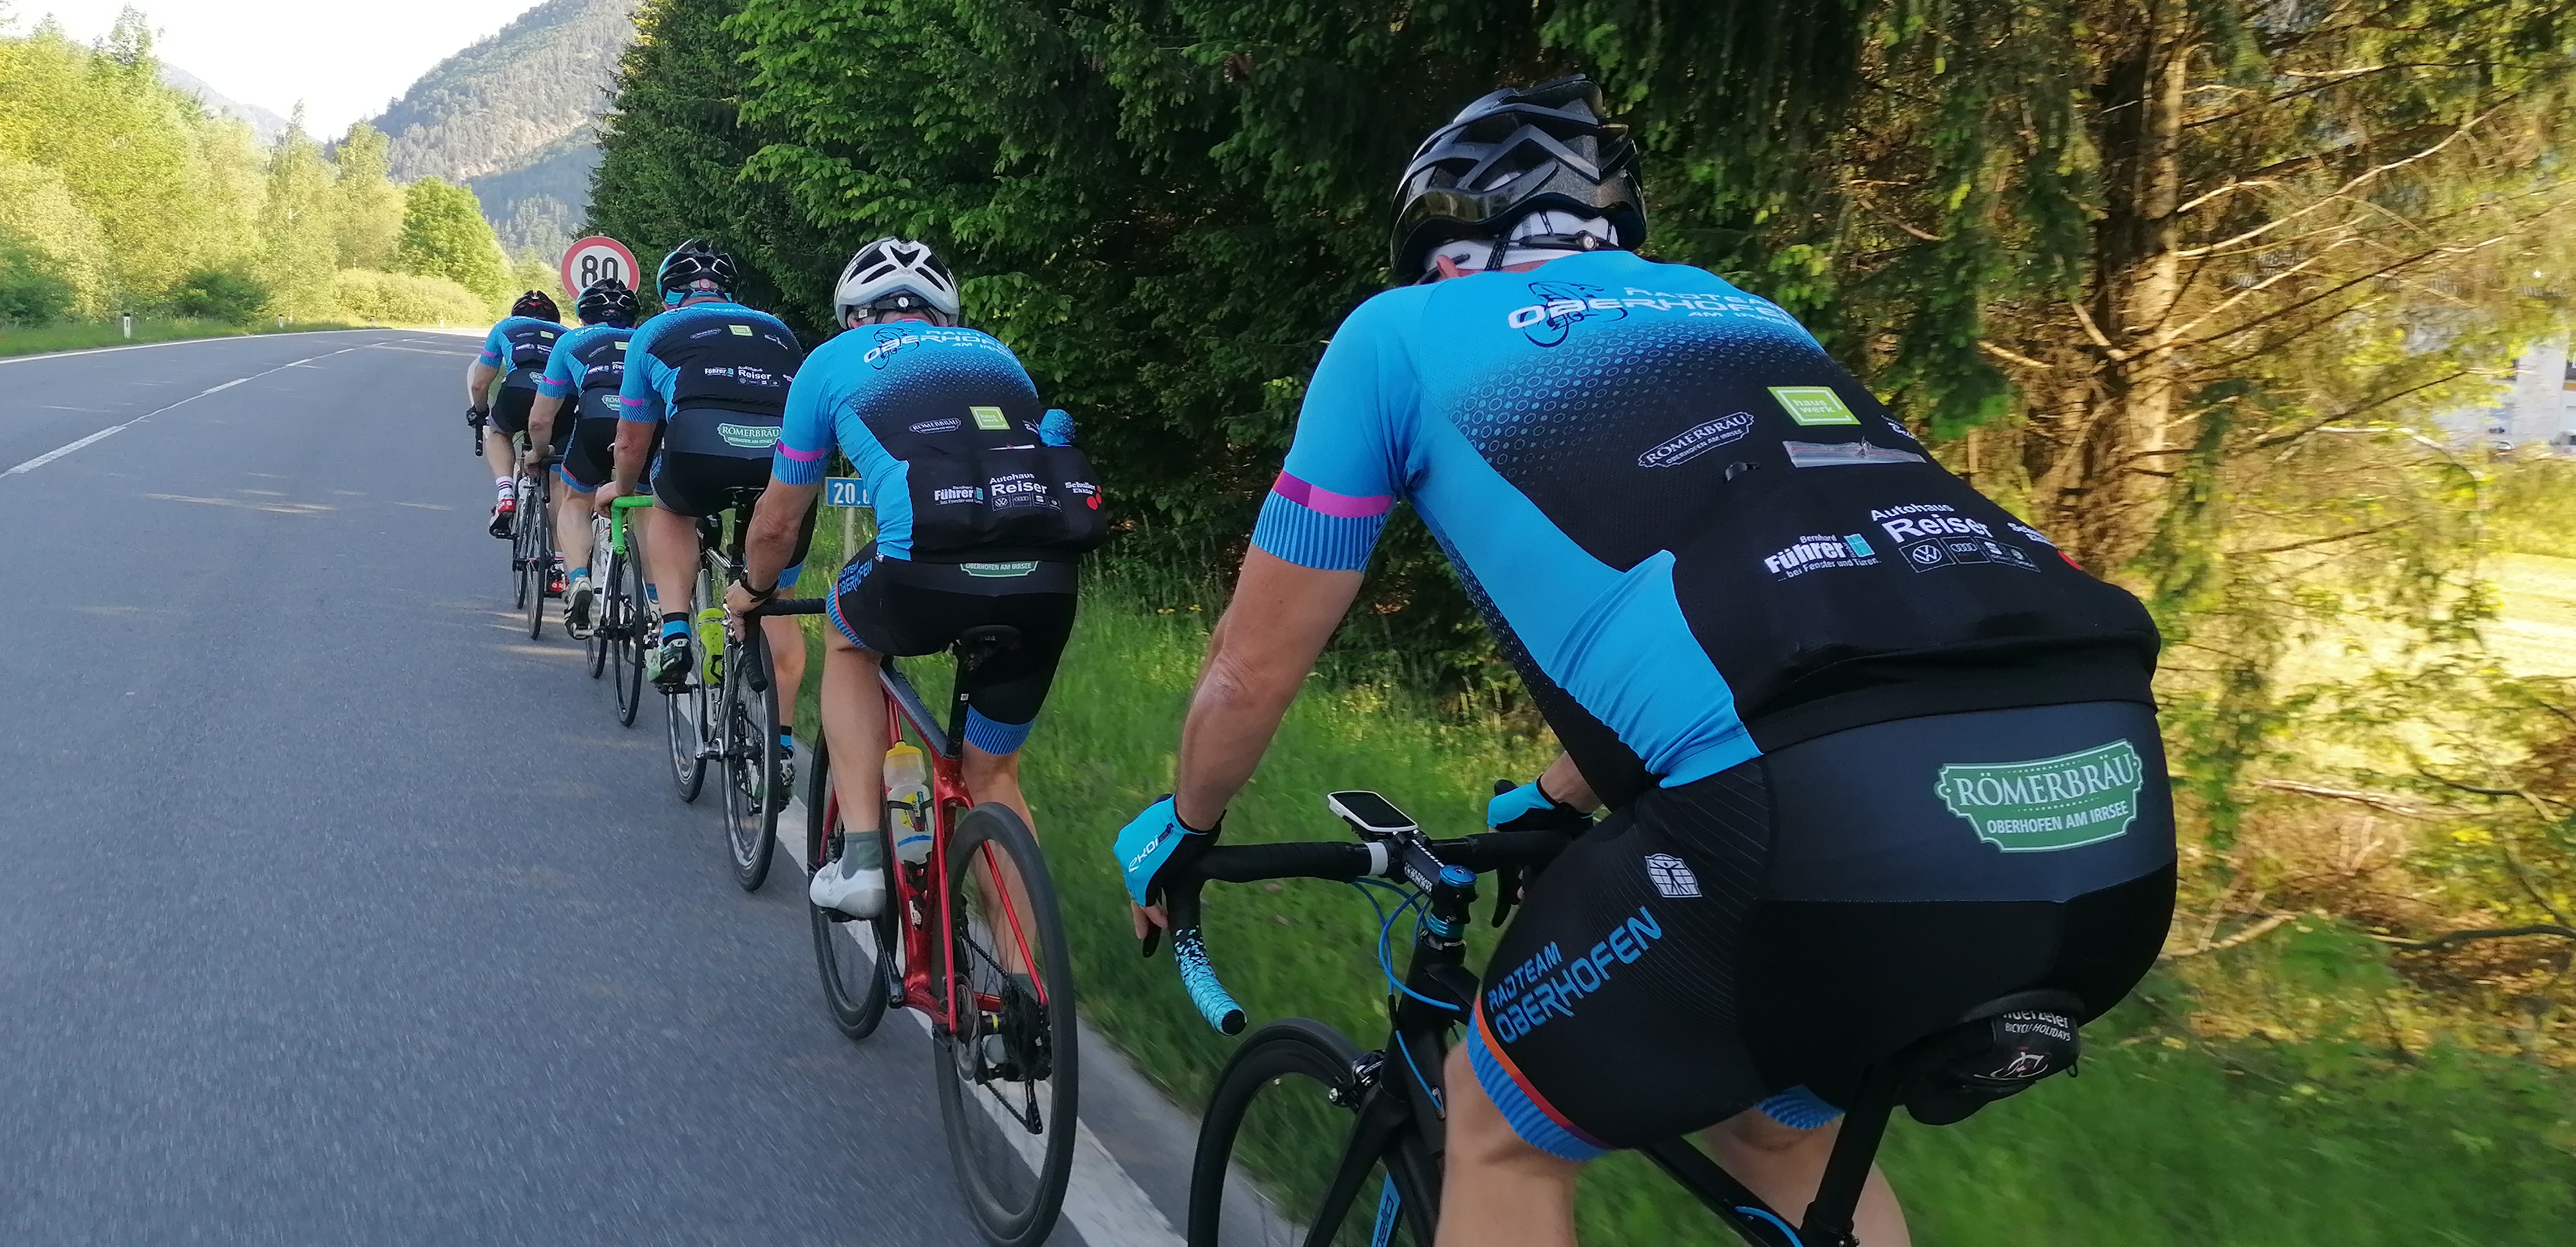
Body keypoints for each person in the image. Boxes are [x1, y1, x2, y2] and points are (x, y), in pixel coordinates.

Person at [1110, 77, 2176, 1247]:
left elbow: (1250, 668)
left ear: (1437, 249)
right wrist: (1562, 793)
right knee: (1779, 1137)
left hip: (1813, 822)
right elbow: (1795, 601)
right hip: (2111, 818)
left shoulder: (1396, 334)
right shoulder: (1748, 314)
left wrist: (1190, 823)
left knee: (1497, 1125)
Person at [725, 236, 1100, 920]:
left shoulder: (829, 361)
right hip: (1047, 577)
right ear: (945, 315)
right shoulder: (997, 353)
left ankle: (863, 860)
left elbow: (777, 523)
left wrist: (754, 592)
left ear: (853, 316)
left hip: (921, 570)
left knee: (847, 638)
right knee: (993, 773)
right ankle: (1026, 981)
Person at [595, 242, 812, 763]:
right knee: (773, 597)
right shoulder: (777, 329)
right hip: (782, 464)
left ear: (668, 294)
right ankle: (780, 752)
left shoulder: (655, 331)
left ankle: (674, 631)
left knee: (670, 508)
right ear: (730, 293)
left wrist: (621, 488)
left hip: (699, 449)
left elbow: (631, 443)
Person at [526, 277, 640, 626]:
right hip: (642, 426)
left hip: (595, 420)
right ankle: (653, 603)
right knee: (653, 509)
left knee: (575, 500)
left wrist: (537, 453)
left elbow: (541, 419)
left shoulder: (571, 341)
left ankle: (578, 577)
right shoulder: (648, 338)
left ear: (583, 316)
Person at [467, 291, 569, 537]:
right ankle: (558, 554)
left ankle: (505, 492)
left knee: (499, 433)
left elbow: (479, 385)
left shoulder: (506, 326)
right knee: (557, 475)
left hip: (518, 389)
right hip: (560, 398)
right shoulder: (567, 334)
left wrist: (480, 411)